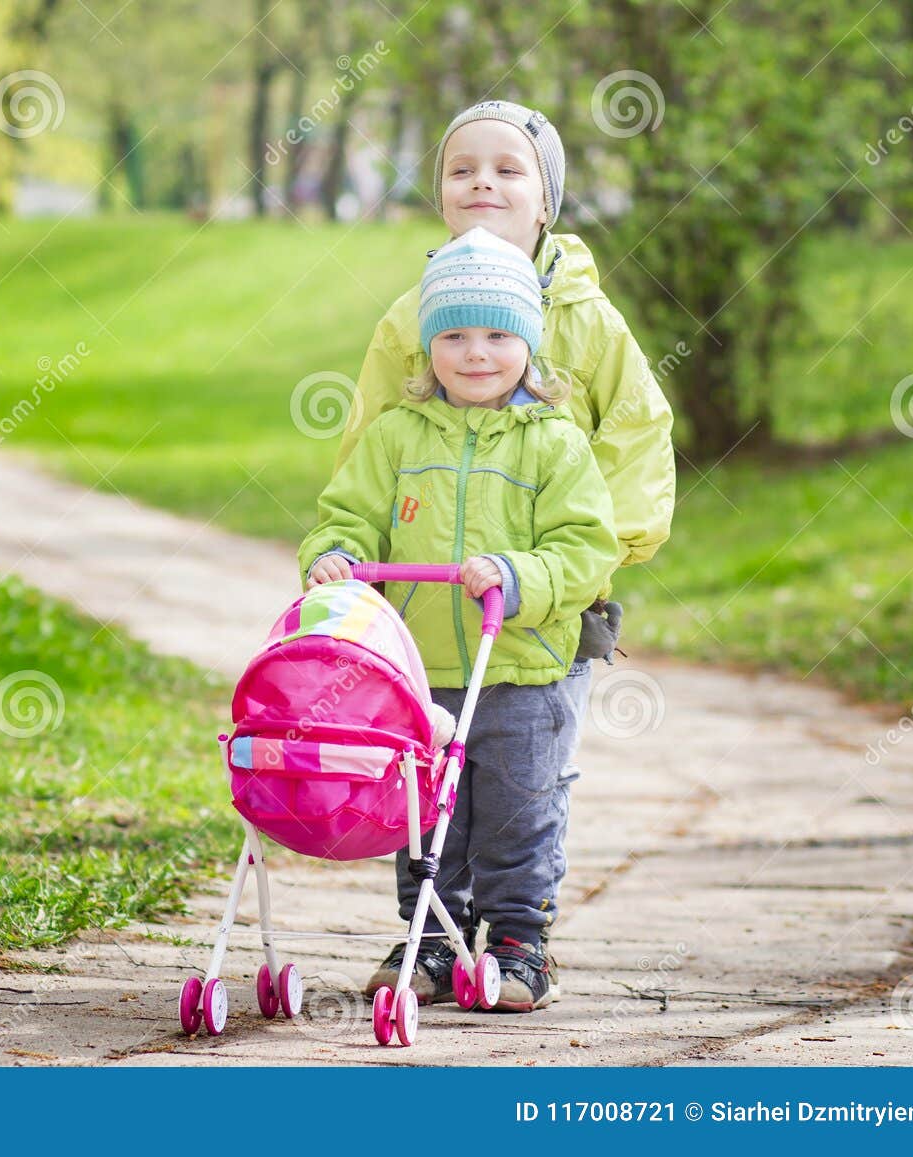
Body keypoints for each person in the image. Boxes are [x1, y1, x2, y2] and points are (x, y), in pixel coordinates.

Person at [332, 99, 675, 1004]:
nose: (483, 181)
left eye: (509, 168)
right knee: (428, 786)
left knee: (521, 785)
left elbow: (633, 435)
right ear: (441, 195)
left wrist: (587, 564)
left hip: (544, 604)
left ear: (546, 199)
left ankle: (520, 938)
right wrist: (354, 554)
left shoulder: (587, 320)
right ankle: (435, 939)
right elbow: (373, 441)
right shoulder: (413, 315)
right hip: (428, 616)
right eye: (461, 168)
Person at [299, 228, 618, 1010]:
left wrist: (518, 574)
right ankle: (430, 937)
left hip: (518, 667)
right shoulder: (397, 437)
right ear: (427, 346)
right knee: (422, 811)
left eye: (498, 334)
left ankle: (518, 939)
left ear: (530, 343)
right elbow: (348, 515)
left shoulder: (554, 443)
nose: (476, 353)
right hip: (416, 671)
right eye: (454, 335)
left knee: (517, 810)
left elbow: (585, 548)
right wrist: (336, 556)